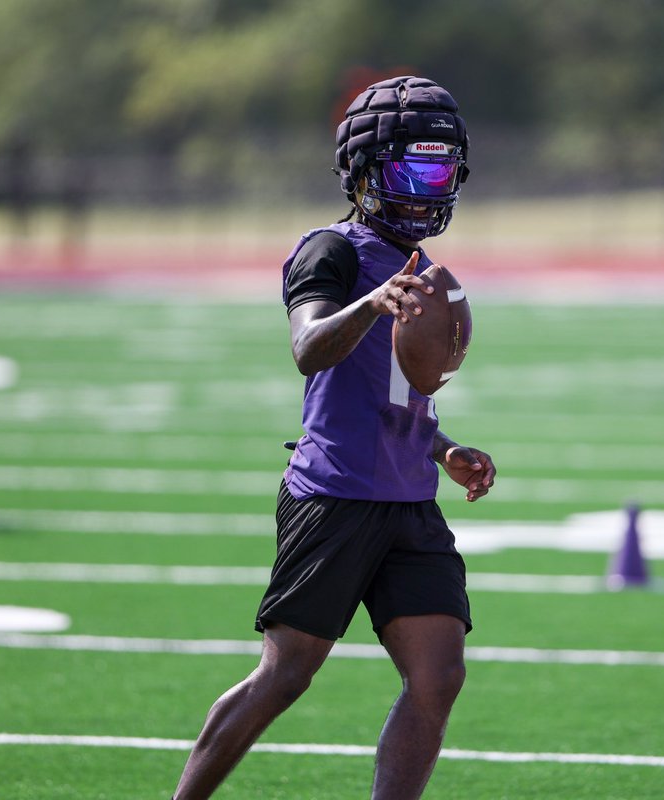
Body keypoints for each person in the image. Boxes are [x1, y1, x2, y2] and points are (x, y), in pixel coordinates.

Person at [170, 76, 496, 800]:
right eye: (412, 170)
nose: (426, 188)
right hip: (337, 497)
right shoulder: (331, 251)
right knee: (286, 675)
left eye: (440, 171)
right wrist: (369, 303)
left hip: (409, 500)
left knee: (439, 674)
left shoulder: (429, 272)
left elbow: (395, 393)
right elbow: (309, 348)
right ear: (364, 174)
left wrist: (446, 450)